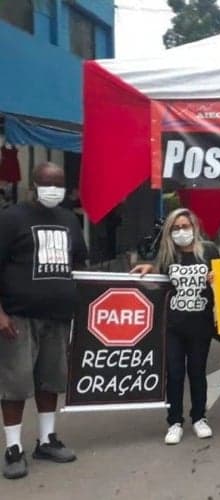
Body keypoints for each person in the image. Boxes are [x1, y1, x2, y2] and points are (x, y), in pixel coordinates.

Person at [0, 162, 87, 479]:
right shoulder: (11, 218)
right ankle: (12, 448)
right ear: (34, 185)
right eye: (48, 182)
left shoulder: (70, 221)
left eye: (59, 183)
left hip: (58, 317)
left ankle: (47, 439)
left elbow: (79, 265)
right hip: (18, 316)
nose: (54, 188)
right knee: (15, 383)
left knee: (50, 380)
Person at [132, 208, 219, 445]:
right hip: (173, 326)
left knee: (198, 372)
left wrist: (216, 279)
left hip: (201, 324)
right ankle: (174, 422)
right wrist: (149, 268)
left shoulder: (209, 251)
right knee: (175, 373)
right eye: (176, 228)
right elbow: (160, 280)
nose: (182, 232)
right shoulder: (168, 255)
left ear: (195, 227)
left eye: (185, 226)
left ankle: (200, 418)